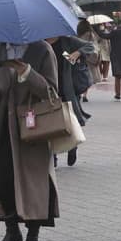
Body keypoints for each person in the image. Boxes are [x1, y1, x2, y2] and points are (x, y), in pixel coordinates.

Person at [0, 41, 60, 241]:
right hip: (3, 129)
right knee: (0, 178)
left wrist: (26, 71)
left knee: (34, 184)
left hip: (33, 130)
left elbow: (52, 92)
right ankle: (11, 230)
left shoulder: (42, 50)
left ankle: (32, 239)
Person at [46, 35, 95, 167]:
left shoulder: (66, 41)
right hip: (49, 89)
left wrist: (78, 52)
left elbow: (90, 46)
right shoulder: (41, 42)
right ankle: (53, 156)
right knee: (51, 124)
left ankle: (72, 146)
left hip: (67, 88)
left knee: (71, 120)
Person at [77, 20, 102, 103]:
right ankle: (85, 95)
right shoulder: (91, 34)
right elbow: (95, 44)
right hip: (89, 57)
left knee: (79, 76)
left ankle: (79, 93)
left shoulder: (77, 34)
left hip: (79, 57)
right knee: (86, 77)